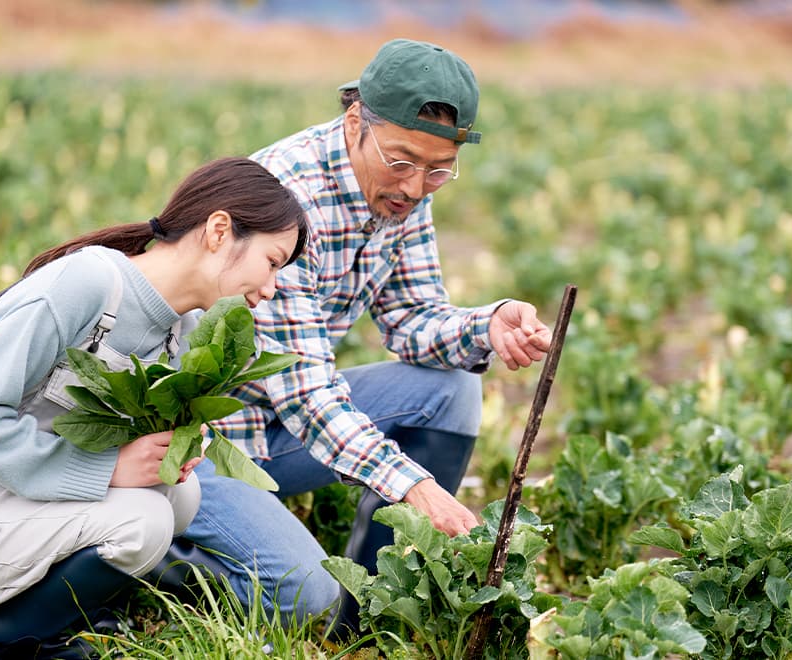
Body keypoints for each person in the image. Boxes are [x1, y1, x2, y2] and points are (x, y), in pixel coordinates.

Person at [163, 38, 553, 632]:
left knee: (450, 391)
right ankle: (160, 557)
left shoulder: (402, 191)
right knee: (305, 598)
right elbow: (309, 396)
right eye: (401, 162)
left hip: (276, 426)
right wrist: (415, 486)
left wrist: (485, 324)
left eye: (439, 170)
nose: (417, 186)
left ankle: (371, 599)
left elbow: (412, 319)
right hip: (202, 441)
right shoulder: (289, 200)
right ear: (355, 122)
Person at [0, 157, 308, 658]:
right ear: (219, 230)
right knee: (142, 520)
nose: (271, 289)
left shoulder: (182, 330)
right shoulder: (87, 283)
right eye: (272, 262)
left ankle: (39, 637)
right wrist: (112, 467)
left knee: (177, 495)